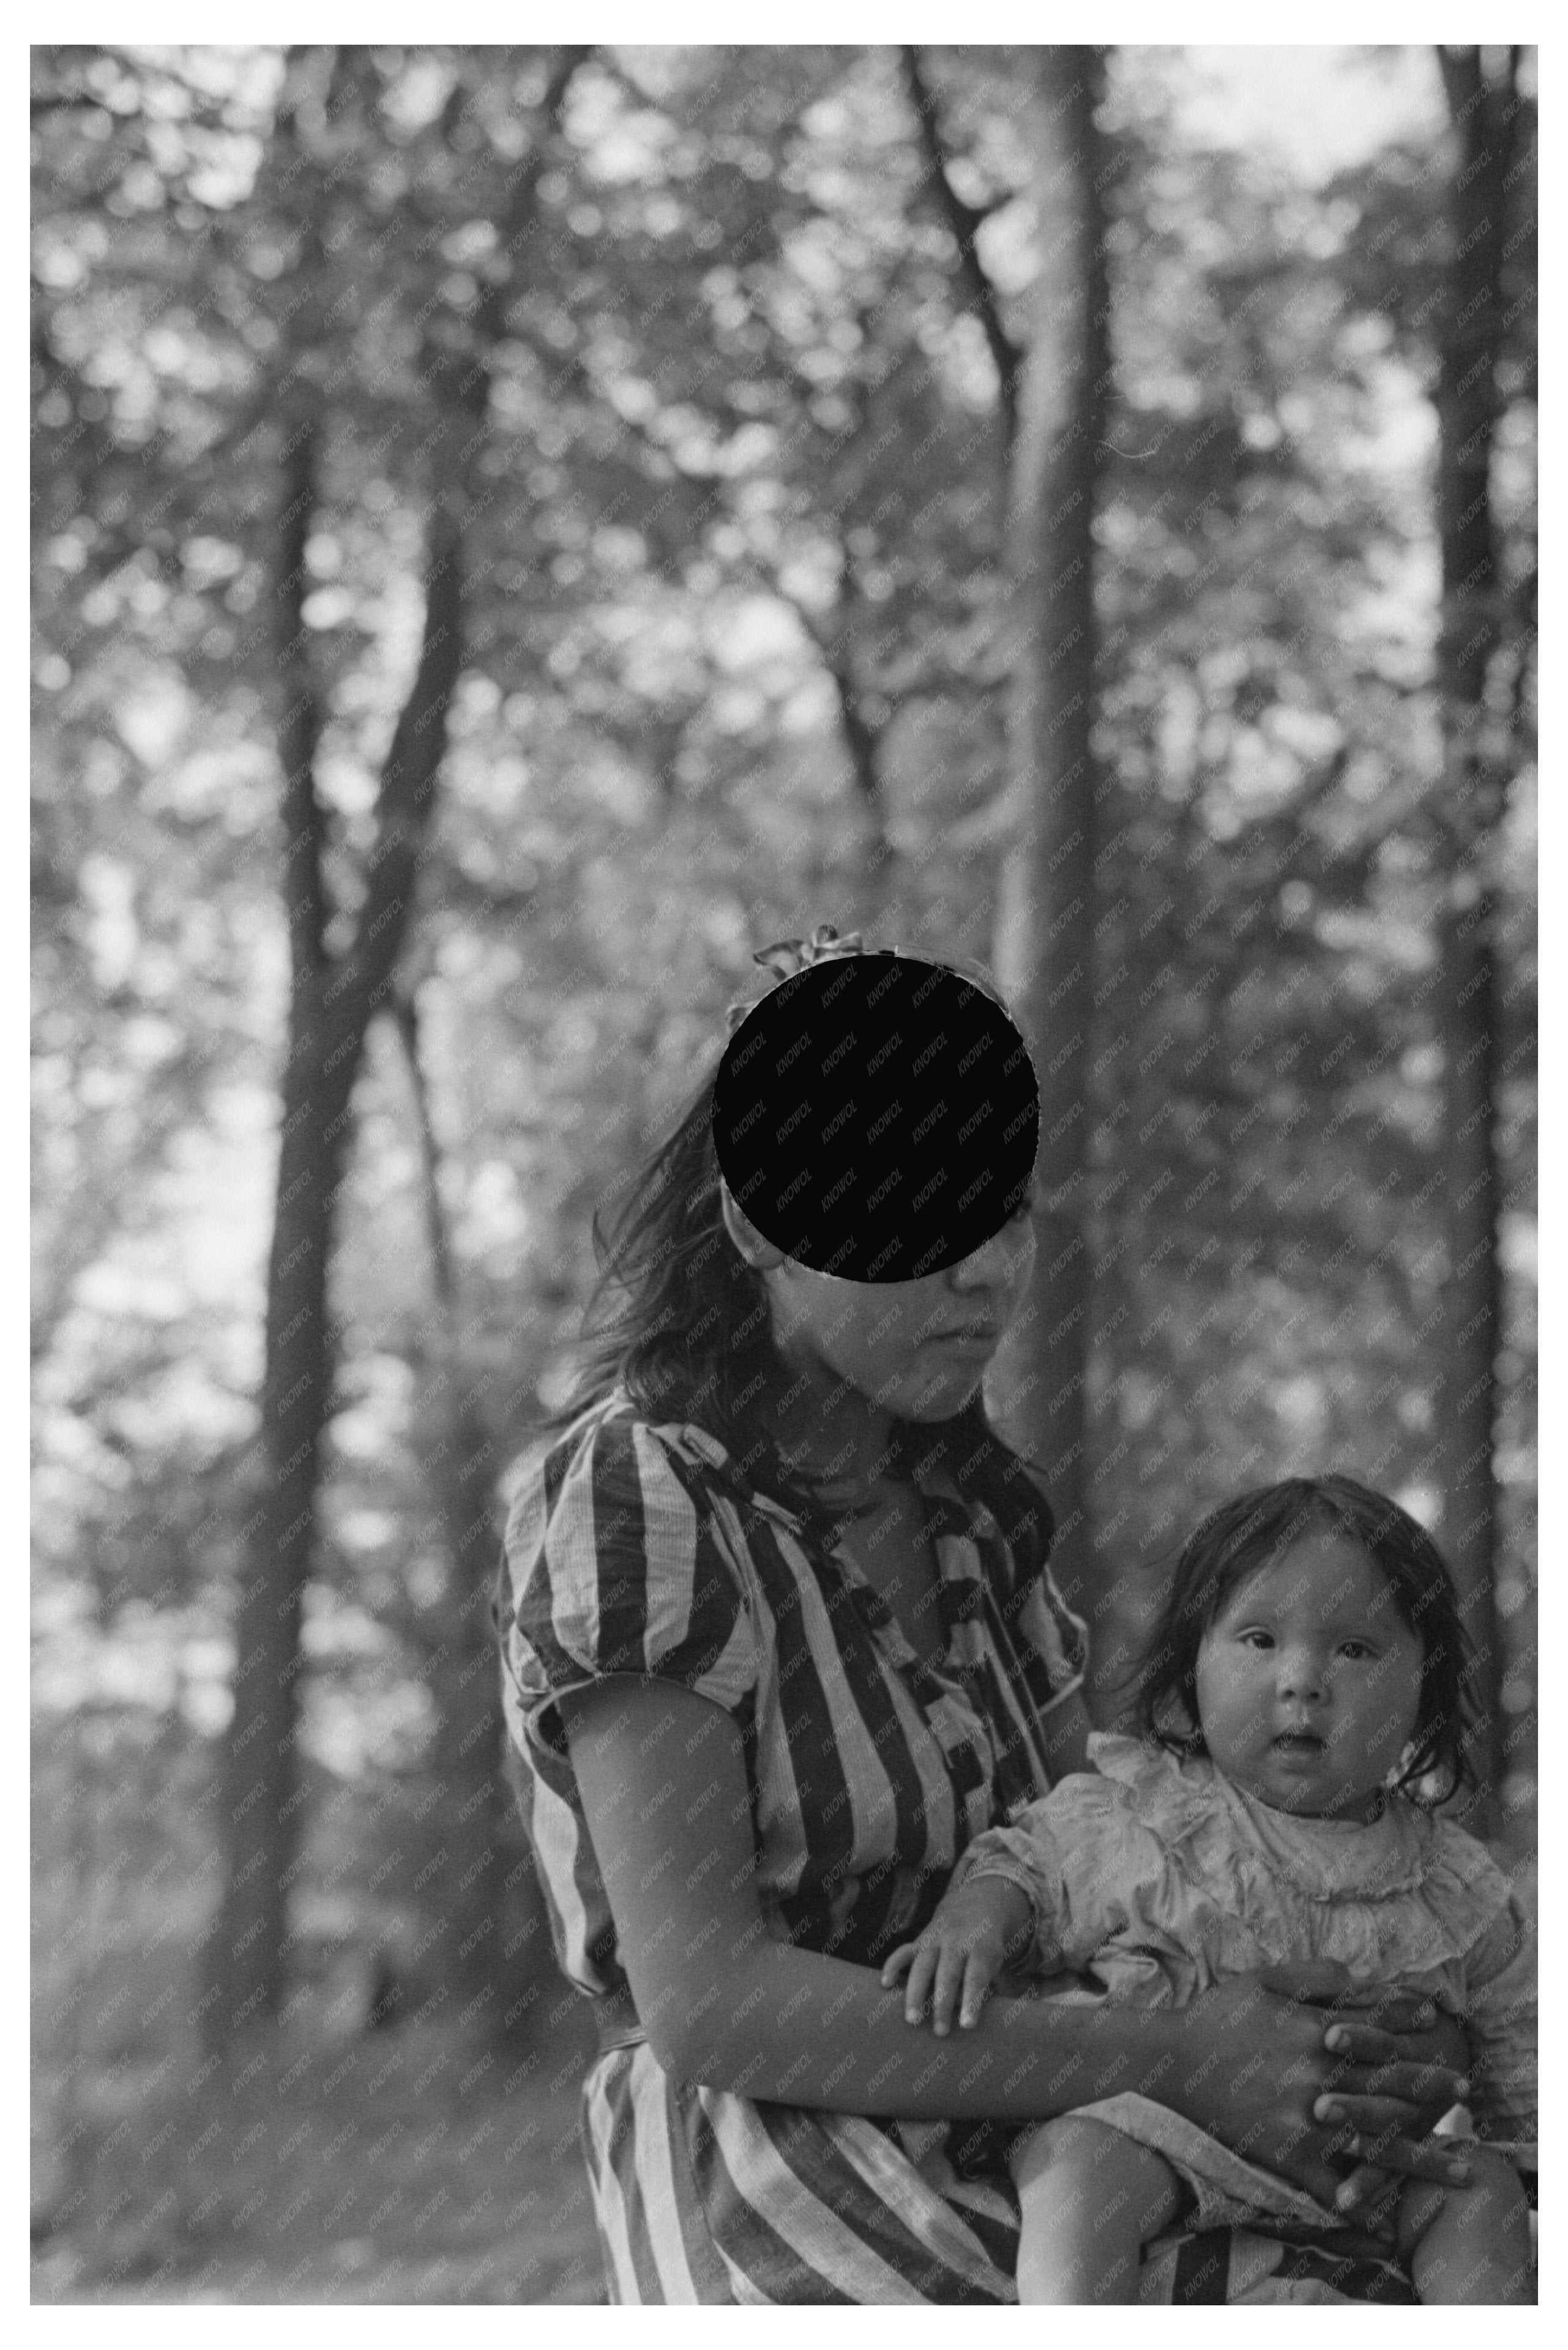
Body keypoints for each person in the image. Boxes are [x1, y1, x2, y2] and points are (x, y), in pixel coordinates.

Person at [495, 926, 1476, 2305]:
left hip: (1061, 2108)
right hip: (782, 2153)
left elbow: (1104, 1874)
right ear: (760, 1226)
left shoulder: (976, 1513)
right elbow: (708, 2003)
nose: (984, 1273)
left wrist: (1344, 2037)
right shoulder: (640, 1488)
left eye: (1002, 1212)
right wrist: (1174, 2057)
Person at [884, 1476, 1536, 2304]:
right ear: (1191, 1663)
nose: (1301, 1680)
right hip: (1162, 2142)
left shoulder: (1454, 1881)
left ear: (1424, 1692)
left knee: (1475, 2189)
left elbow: (1520, 2038)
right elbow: (1029, 1866)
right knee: (1078, 2162)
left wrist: (1525, 2159)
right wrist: (972, 1925)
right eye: (1259, 1640)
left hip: (1365, 2173)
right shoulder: (1146, 1813)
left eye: (1355, 1650)